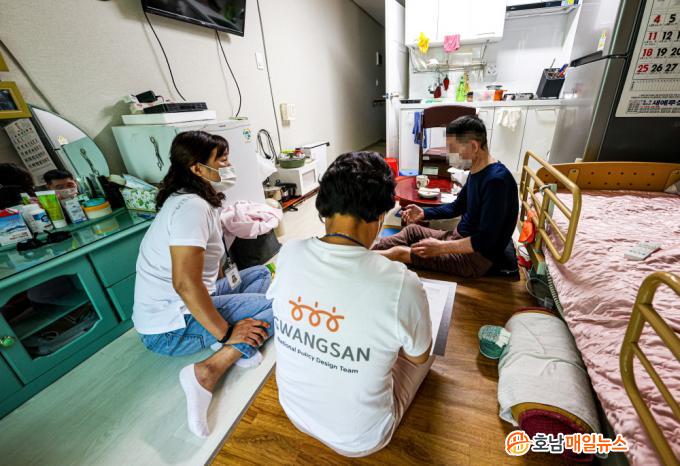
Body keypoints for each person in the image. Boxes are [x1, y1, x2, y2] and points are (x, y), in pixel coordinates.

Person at [266, 152, 433, 457]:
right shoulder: (402, 284)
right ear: (380, 216)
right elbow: (417, 357)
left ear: (323, 207)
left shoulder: (289, 254)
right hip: (361, 439)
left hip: (294, 411)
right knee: (427, 351)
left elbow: (340, 265)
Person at [132, 130, 274, 438]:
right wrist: (225, 332)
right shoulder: (191, 208)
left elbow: (208, 266)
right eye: (222, 160)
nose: (228, 166)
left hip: (183, 303)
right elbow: (185, 284)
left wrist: (227, 297)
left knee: (260, 275)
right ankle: (210, 368)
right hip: (169, 327)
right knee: (277, 307)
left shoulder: (191, 198)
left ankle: (233, 333)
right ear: (197, 168)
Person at [373, 116, 519, 278]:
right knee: (411, 230)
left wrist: (441, 247)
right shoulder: (477, 169)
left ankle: (362, 258)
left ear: (474, 146)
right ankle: (366, 250)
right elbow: (457, 207)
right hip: (458, 238)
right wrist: (424, 213)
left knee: (400, 253)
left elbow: (485, 241)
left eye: (452, 148)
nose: (448, 155)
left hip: (474, 258)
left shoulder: (496, 182)